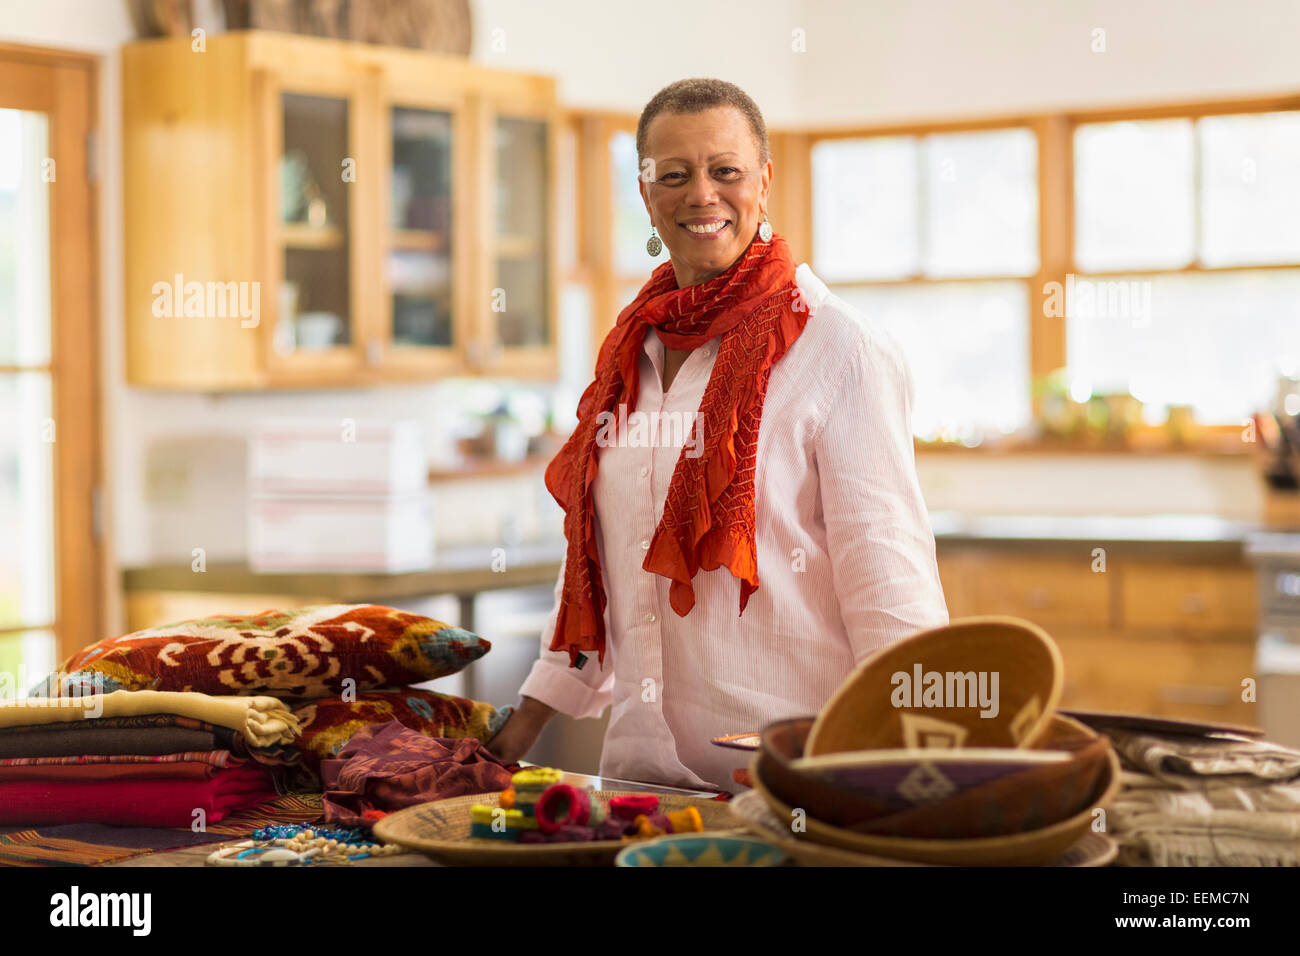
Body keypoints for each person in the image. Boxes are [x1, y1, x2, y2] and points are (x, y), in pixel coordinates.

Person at [486, 77, 948, 792]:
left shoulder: (840, 349)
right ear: (647, 194)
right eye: (674, 175)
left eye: (725, 170)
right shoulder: (629, 352)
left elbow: (892, 596)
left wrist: (916, 788)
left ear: (764, 182)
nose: (701, 194)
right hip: (643, 783)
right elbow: (601, 564)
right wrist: (511, 736)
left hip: (792, 784)